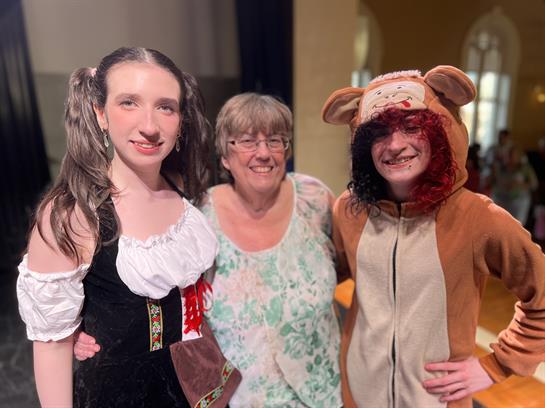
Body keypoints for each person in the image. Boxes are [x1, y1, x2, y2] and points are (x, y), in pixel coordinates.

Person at [76, 92, 345, 407]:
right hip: (238, 398)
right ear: (225, 157)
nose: (263, 153)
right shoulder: (197, 216)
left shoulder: (315, 199)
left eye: (275, 140)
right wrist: (78, 329)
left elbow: (347, 265)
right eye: (247, 141)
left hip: (323, 392)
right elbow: (153, 293)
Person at [322, 66, 545, 408]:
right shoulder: (349, 210)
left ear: (440, 133)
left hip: (437, 399)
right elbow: (323, 275)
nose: (395, 145)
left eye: (412, 127)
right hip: (358, 390)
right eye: (379, 134)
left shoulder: (477, 218)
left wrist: (497, 365)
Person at [16, 47, 223, 407]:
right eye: (129, 103)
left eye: (166, 107)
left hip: (193, 389)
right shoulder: (73, 216)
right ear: (100, 113)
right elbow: (51, 348)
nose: (150, 126)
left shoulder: (181, 187)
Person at [490, 145, 538, 225]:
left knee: (516, 224)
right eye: (510, 154)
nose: (511, 157)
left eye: (514, 155)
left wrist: (520, 184)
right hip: (503, 199)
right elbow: (495, 182)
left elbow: (534, 184)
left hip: (519, 201)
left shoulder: (525, 168)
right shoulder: (502, 168)